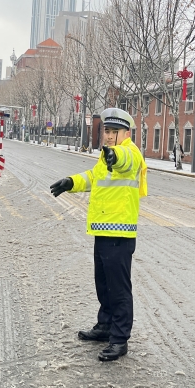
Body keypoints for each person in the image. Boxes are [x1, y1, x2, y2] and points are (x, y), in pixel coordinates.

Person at [49, 107, 148, 362]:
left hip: (120, 232)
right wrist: (71, 182)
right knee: (103, 285)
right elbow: (94, 177)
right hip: (103, 229)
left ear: (127, 133)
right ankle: (105, 326)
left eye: (115, 132)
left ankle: (119, 339)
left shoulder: (130, 154)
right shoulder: (105, 157)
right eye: (106, 131)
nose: (109, 136)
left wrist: (116, 154)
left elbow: (126, 160)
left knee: (119, 289)